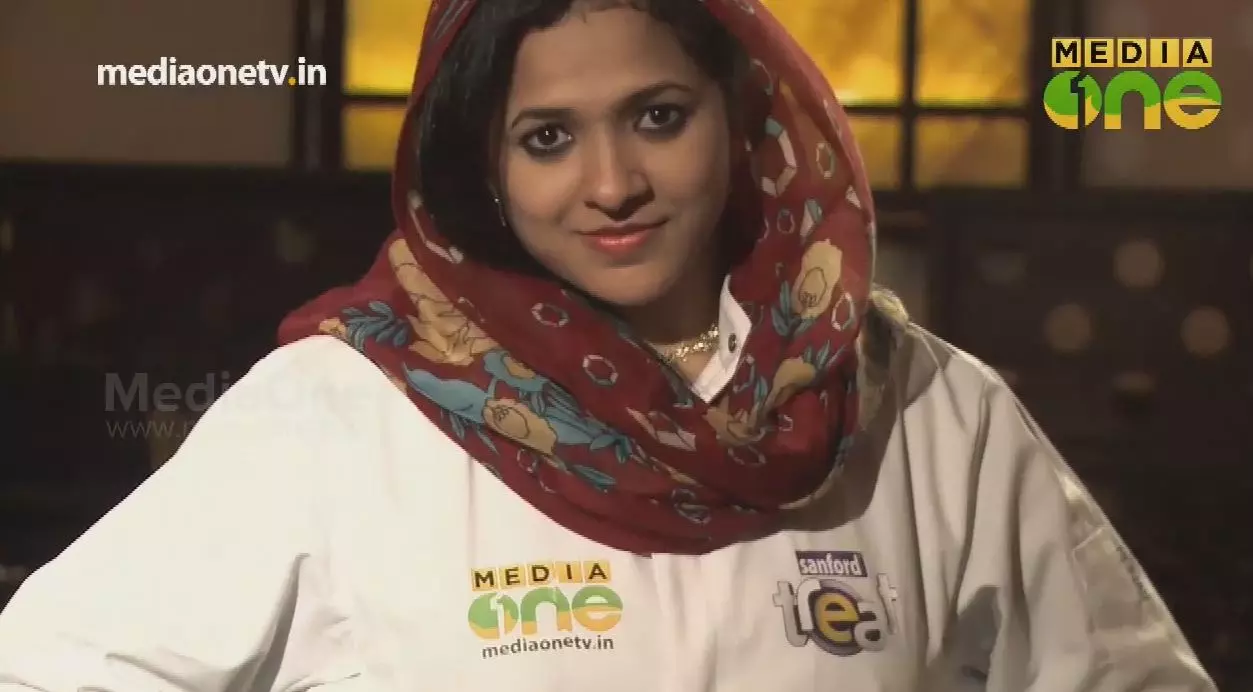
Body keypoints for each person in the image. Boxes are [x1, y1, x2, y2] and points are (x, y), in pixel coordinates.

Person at [0, 0, 1218, 689]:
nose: (612, 183)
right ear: (483, 166)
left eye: (656, 116)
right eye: (547, 137)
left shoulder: (927, 413)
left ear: (739, 118)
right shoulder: (342, 410)